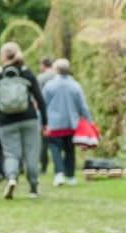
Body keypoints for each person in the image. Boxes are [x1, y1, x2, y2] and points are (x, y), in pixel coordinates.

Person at [0, 42, 47, 199]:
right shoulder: (26, 73)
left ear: (2, 56)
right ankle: (33, 187)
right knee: (31, 153)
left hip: (5, 121)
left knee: (11, 153)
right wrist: (45, 122)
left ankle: (12, 178)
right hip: (29, 119)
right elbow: (40, 98)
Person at [43, 58, 91, 187]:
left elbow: (43, 105)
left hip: (54, 124)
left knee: (55, 149)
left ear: (56, 70)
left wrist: (43, 122)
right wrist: (89, 121)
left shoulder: (49, 86)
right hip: (71, 124)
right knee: (70, 150)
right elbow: (83, 106)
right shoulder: (75, 85)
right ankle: (70, 176)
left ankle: (59, 173)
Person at [37, 56, 56, 174]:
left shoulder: (40, 78)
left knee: (44, 141)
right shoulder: (58, 76)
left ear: (43, 65)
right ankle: (59, 165)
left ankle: (43, 166)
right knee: (57, 140)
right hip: (58, 111)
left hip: (44, 111)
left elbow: (37, 97)